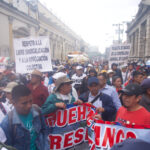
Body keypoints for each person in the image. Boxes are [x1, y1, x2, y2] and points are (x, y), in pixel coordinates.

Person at [0, 85, 49, 150]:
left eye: (31, 101)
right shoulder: (7, 123)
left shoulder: (37, 110)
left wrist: (46, 146)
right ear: (14, 103)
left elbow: (43, 130)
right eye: (24, 103)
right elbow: (8, 146)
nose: (29, 105)